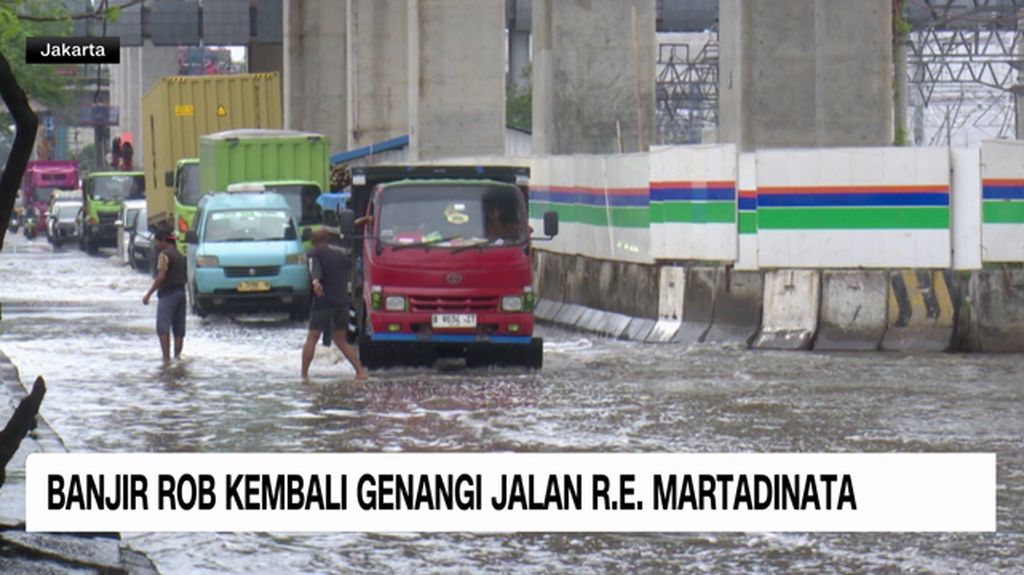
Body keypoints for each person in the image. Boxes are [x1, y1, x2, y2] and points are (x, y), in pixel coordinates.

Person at [302, 228, 368, 380]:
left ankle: (304, 375)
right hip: (342, 302)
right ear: (327, 240)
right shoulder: (339, 256)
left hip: (323, 301)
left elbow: (315, 270)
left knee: (312, 337)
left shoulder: (314, 254)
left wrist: (316, 282)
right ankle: (361, 371)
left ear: (312, 242)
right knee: (340, 340)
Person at [143, 228, 187, 363]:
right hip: (181, 294)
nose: (156, 245)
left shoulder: (163, 255)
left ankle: (166, 359)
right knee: (178, 329)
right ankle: (178, 358)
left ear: (163, 241)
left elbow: (161, 277)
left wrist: (149, 294)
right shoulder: (180, 255)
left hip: (168, 295)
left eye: (157, 242)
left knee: (163, 327)